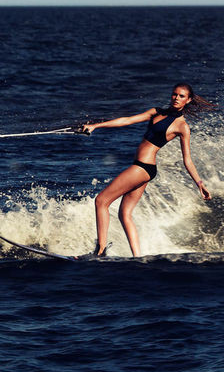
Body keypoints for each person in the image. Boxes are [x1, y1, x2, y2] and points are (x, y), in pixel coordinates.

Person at [80, 83, 214, 257]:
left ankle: (100, 250)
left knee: (101, 201)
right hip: (145, 169)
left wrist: (200, 184)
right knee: (125, 213)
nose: (176, 98)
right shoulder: (156, 112)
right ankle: (137, 257)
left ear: (188, 100)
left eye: (181, 96)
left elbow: (187, 160)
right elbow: (127, 120)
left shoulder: (182, 126)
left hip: (142, 168)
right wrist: (96, 126)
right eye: (175, 94)